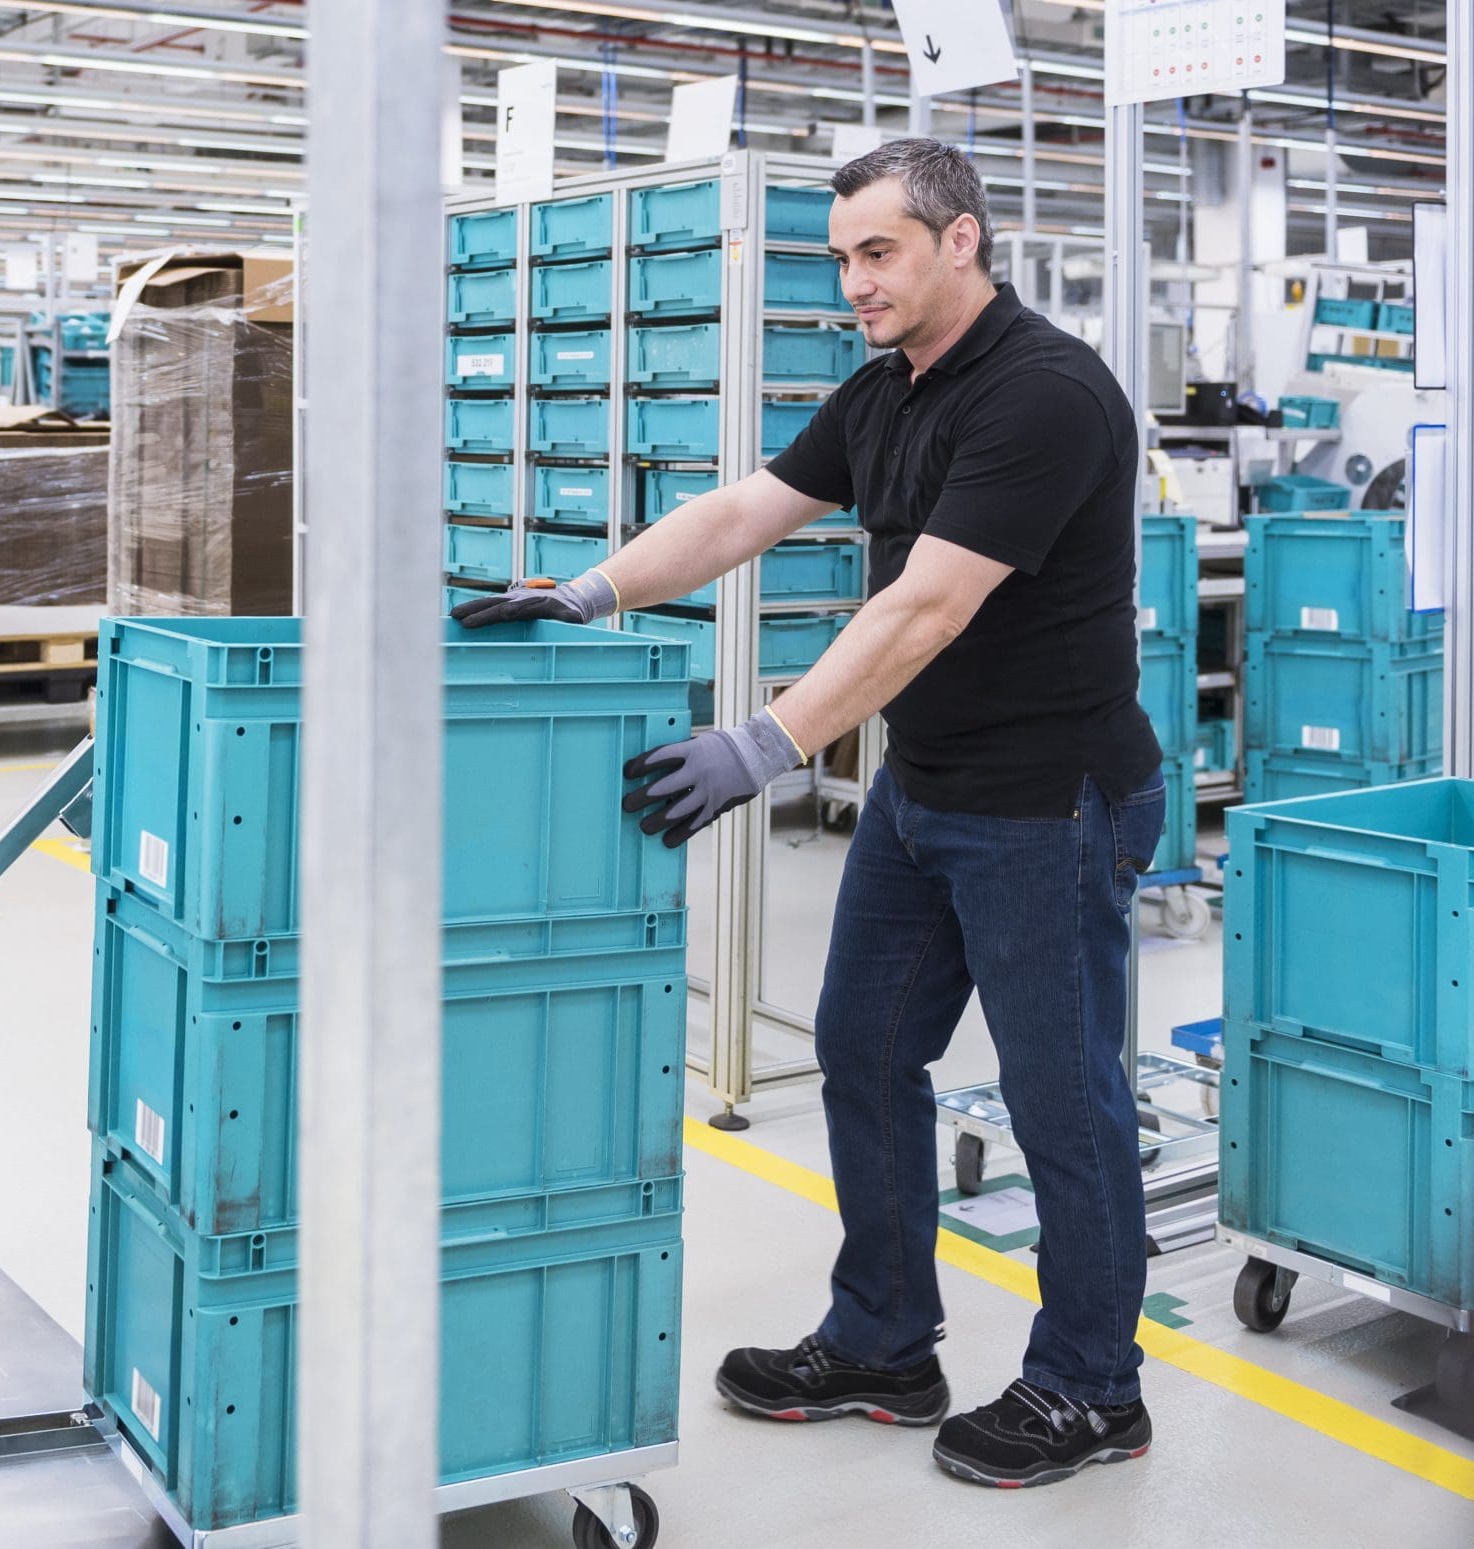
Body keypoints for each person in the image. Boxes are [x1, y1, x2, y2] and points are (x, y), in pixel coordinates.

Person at [453, 137, 1164, 1490]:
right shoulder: (885, 390)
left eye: (876, 252)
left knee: (1061, 1100)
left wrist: (767, 742)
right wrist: (588, 591)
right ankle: (886, 1337)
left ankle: (1092, 1383)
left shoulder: (1046, 395)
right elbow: (743, 513)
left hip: (1048, 799)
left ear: (961, 239)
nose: (852, 281)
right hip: (927, 787)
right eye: (840, 257)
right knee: (860, 1046)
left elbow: (926, 604)